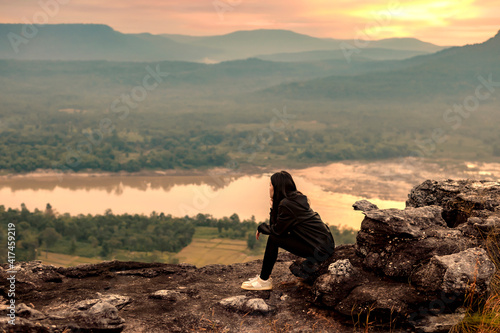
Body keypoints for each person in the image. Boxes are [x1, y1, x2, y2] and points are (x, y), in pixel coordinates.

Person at [241, 171, 335, 291]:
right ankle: (263, 279)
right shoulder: (295, 200)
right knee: (274, 237)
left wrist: (261, 227)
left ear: (277, 187)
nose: (269, 188)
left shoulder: (287, 204)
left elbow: (277, 231)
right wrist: (273, 208)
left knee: (273, 239)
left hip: (320, 250)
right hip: (324, 246)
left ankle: (264, 280)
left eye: (270, 185)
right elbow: (280, 228)